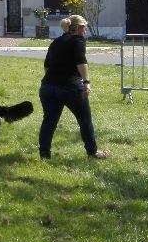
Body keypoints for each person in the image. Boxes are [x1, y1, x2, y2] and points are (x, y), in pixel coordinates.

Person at [38, 15, 109, 159]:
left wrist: (55, 80)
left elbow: (46, 66)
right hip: (70, 88)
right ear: (78, 28)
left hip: (48, 87)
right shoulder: (78, 40)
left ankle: (44, 154)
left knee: (49, 121)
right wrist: (86, 82)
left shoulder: (56, 42)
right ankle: (92, 152)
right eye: (84, 27)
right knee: (84, 120)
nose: (86, 30)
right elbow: (81, 62)